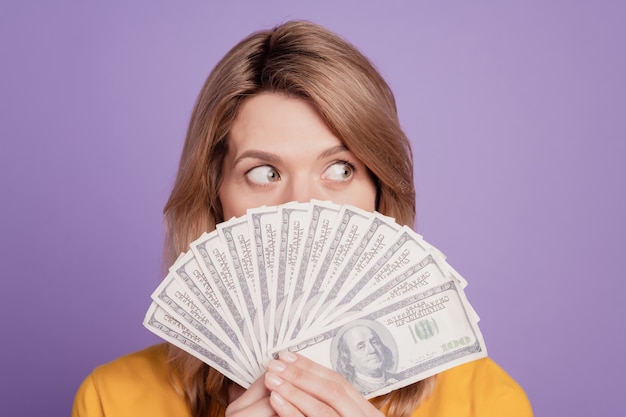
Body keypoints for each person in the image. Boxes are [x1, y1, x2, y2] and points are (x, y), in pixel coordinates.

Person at [72, 20, 533, 417]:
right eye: (264, 173)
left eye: (340, 169)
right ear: (216, 199)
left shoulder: (486, 401)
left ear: (379, 194)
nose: (303, 208)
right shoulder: (114, 400)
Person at [335, 323, 399, 395]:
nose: (372, 350)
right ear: (349, 360)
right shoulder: (351, 392)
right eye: (361, 347)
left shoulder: (399, 379)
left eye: (375, 342)